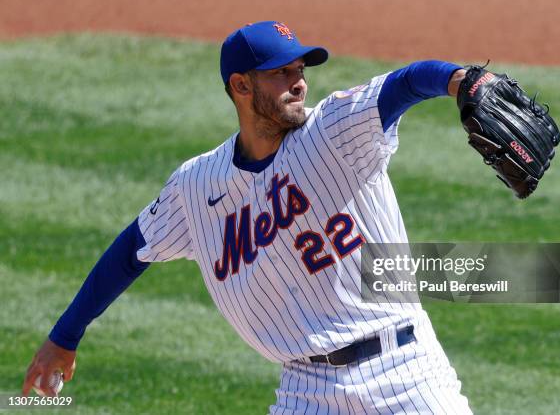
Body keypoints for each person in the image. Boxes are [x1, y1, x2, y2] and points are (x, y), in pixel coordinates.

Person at [23, 21, 472, 414]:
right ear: (240, 86)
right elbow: (130, 252)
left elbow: (408, 82)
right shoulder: (197, 185)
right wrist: (65, 336)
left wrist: (465, 81)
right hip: (307, 389)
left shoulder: (333, 129)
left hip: (405, 372)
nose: (299, 83)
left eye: (300, 71)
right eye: (282, 73)